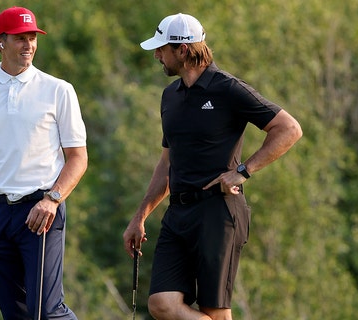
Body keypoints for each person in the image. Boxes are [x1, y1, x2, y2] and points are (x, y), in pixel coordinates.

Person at [122, 13, 302, 320]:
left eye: (162, 48)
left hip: (218, 213)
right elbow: (167, 162)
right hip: (178, 215)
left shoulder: (228, 89)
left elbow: (289, 129)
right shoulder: (170, 96)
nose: (156, 55)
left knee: (215, 311)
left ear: (182, 49)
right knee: (161, 304)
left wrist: (243, 171)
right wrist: (140, 216)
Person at [0, 6, 87, 320]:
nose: (28, 44)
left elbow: (78, 158)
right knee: (15, 315)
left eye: (32, 38)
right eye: (20, 38)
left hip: (40, 210)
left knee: (46, 311)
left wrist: (53, 199)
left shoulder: (58, 90)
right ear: (0, 43)